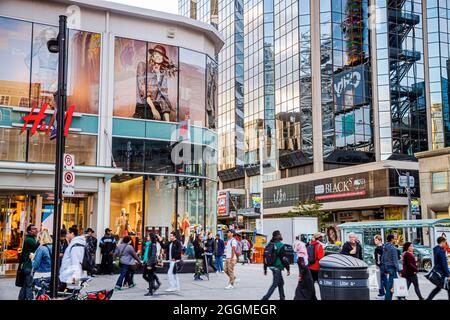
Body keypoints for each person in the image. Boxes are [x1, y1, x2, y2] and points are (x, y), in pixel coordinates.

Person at [262, 230, 290, 300]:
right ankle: (265, 298)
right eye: (280, 234)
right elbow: (284, 259)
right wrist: (288, 269)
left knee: (281, 283)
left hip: (271, 266)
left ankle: (282, 298)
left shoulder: (269, 244)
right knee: (275, 284)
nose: (281, 235)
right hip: (277, 267)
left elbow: (264, 256)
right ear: (277, 236)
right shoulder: (280, 245)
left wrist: (265, 269)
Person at [18, 224, 39, 300]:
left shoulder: (30, 239)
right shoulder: (30, 240)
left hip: (26, 266)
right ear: (29, 231)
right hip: (29, 266)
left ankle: (21, 298)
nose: (36, 230)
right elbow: (38, 246)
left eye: (36, 228)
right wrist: (42, 238)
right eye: (34, 229)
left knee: (25, 285)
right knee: (29, 286)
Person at [382, 234, 401, 300]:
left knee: (393, 284)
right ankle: (388, 298)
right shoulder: (393, 248)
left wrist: (384, 269)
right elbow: (395, 261)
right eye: (394, 238)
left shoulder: (384, 247)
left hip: (387, 267)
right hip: (392, 268)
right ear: (392, 239)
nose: (395, 240)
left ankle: (400, 297)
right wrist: (399, 270)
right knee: (391, 285)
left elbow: (383, 258)